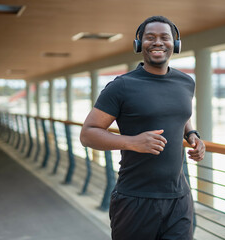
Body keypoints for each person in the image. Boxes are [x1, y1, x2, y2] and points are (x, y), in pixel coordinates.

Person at [80, 16, 205, 240]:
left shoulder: (186, 82)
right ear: (139, 45)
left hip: (179, 197)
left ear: (175, 44)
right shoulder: (122, 86)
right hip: (135, 198)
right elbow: (88, 134)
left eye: (164, 37)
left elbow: (180, 112)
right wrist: (132, 142)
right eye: (150, 38)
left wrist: (192, 134)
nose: (158, 42)